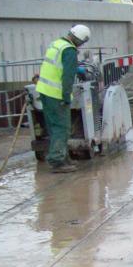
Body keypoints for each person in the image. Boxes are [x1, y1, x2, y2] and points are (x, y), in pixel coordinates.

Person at [35, 24, 91, 173]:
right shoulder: (69, 51)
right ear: (80, 40)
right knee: (62, 128)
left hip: (44, 92)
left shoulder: (56, 44)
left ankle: (63, 157)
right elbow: (67, 77)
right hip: (56, 95)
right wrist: (66, 97)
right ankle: (57, 161)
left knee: (53, 127)